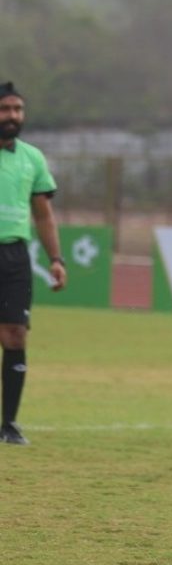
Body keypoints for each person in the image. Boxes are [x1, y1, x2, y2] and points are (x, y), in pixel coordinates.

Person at [0, 81, 64, 446]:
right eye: (6, 109)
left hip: (13, 256)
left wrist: (57, 258)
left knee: (14, 335)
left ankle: (8, 424)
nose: (13, 116)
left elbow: (43, 216)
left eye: (18, 110)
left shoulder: (32, 158)